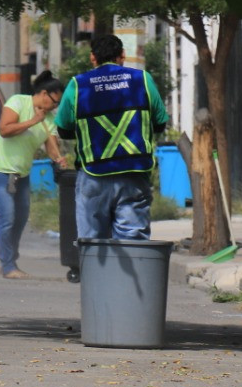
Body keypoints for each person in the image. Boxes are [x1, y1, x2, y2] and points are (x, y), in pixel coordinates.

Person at [54, 34, 168, 241]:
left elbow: (63, 129)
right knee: (133, 242)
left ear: (92, 57)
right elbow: (160, 122)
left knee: (92, 243)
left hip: (93, 175)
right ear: (122, 55)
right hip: (134, 174)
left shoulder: (78, 85)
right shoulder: (142, 79)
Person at [0, 71, 67, 279]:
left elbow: (51, 147)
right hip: (0, 170)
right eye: (54, 102)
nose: (55, 107)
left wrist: (58, 158)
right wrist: (32, 121)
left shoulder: (49, 120)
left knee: (20, 219)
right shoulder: (18, 102)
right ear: (44, 94)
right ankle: (8, 265)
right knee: (7, 217)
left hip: (22, 174)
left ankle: (11, 259)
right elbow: (5, 130)